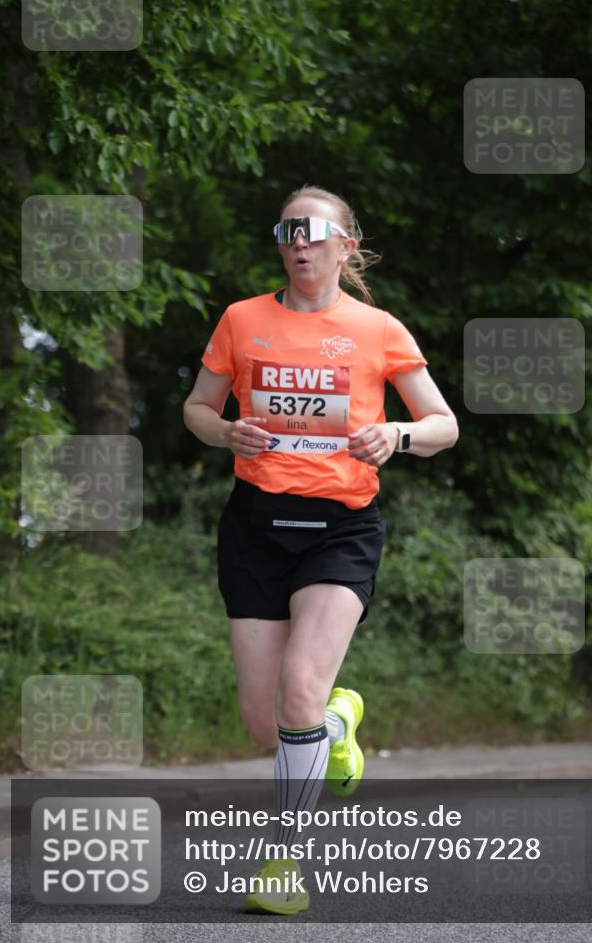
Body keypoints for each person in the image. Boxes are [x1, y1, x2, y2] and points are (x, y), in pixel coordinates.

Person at [183, 185, 459, 915]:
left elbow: (443, 424)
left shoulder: (377, 329)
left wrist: (395, 435)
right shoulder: (243, 320)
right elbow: (197, 409)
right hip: (254, 526)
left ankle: (282, 864)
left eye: (313, 232)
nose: (298, 243)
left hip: (340, 528)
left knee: (298, 688)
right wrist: (225, 432)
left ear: (345, 245)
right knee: (264, 721)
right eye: (287, 231)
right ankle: (338, 723)